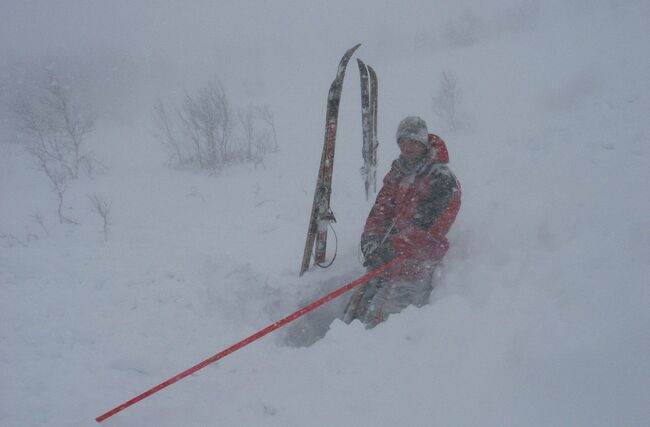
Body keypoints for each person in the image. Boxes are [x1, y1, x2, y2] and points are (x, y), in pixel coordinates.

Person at [343, 116, 461, 328]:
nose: (407, 147)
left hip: (415, 267)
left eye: (413, 142)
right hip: (385, 264)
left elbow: (428, 227)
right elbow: (381, 212)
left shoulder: (440, 177)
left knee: (385, 325)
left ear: (423, 143)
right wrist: (371, 241)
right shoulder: (398, 173)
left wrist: (391, 249)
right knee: (355, 316)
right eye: (403, 142)